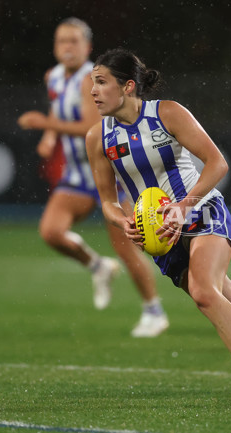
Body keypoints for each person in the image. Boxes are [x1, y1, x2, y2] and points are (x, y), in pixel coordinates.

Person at [84, 47, 231, 402]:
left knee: (205, 292)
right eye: (92, 84)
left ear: (128, 86)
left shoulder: (167, 113)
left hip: (203, 211)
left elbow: (217, 164)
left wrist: (183, 206)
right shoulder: (97, 138)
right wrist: (124, 220)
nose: (94, 91)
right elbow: (107, 201)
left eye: (101, 82)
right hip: (161, 238)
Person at [17, 18, 168, 338]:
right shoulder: (54, 76)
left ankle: (153, 310)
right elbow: (59, 111)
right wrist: (49, 135)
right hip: (76, 173)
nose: (67, 47)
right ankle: (98, 266)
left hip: (111, 168)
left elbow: (89, 125)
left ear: (87, 47)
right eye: (61, 41)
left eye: (74, 41)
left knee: (128, 245)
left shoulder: (93, 79)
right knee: (51, 232)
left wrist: (45, 124)